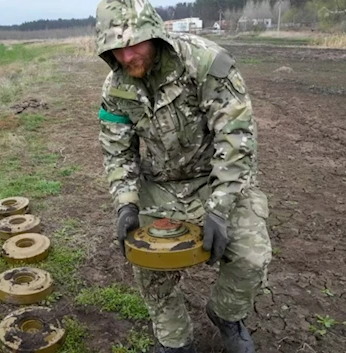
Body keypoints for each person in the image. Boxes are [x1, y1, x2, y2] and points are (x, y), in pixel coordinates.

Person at [94, 1, 272, 352]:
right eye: (117, 48)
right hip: (160, 186)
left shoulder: (206, 63)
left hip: (215, 179)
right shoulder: (115, 88)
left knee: (251, 257)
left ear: (156, 36)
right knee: (147, 264)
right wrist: (126, 205)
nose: (127, 56)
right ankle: (175, 340)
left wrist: (219, 209)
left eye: (135, 44)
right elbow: (118, 152)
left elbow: (236, 140)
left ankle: (226, 315)